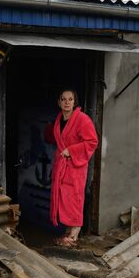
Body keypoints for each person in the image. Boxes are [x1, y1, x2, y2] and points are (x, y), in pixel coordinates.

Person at [44, 88, 98, 247]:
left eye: (70, 99)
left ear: (75, 102)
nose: (67, 102)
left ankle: (74, 236)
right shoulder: (59, 120)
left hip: (75, 167)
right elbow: (56, 139)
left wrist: (72, 151)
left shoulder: (83, 119)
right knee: (63, 200)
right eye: (64, 99)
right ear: (59, 102)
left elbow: (92, 142)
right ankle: (68, 232)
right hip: (61, 166)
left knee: (74, 199)